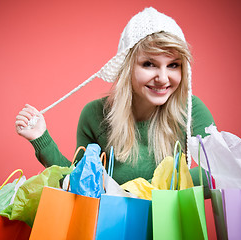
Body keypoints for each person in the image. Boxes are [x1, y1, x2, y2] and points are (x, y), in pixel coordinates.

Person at [15, 7, 214, 188]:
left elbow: (218, 173)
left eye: (173, 65)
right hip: (113, 227)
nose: (163, 78)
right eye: (149, 64)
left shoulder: (190, 110)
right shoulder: (94, 115)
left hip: (172, 227)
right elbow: (77, 184)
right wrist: (42, 140)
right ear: (127, 68)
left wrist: (134, 191)